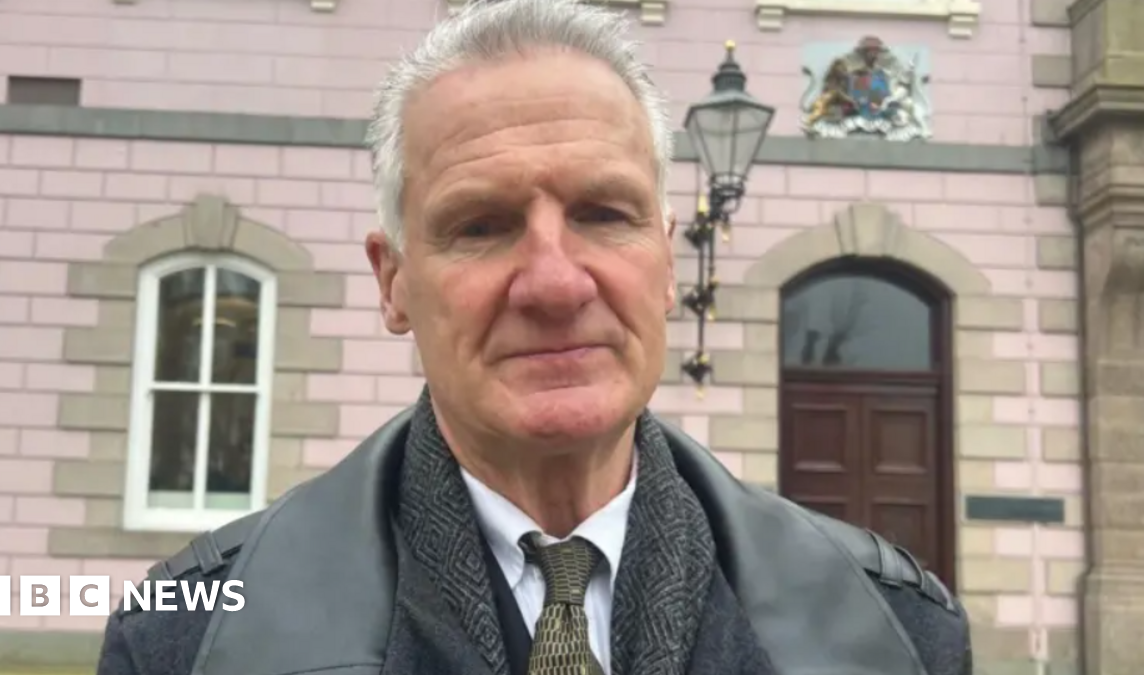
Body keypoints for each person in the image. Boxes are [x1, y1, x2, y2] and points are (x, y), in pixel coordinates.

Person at [96, 1, 972, 674]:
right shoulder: (189, 638)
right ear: (393, 279)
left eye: (603, 213)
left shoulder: (897, 632)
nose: (555, 282)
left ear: (669, 261)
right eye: (480, 225)